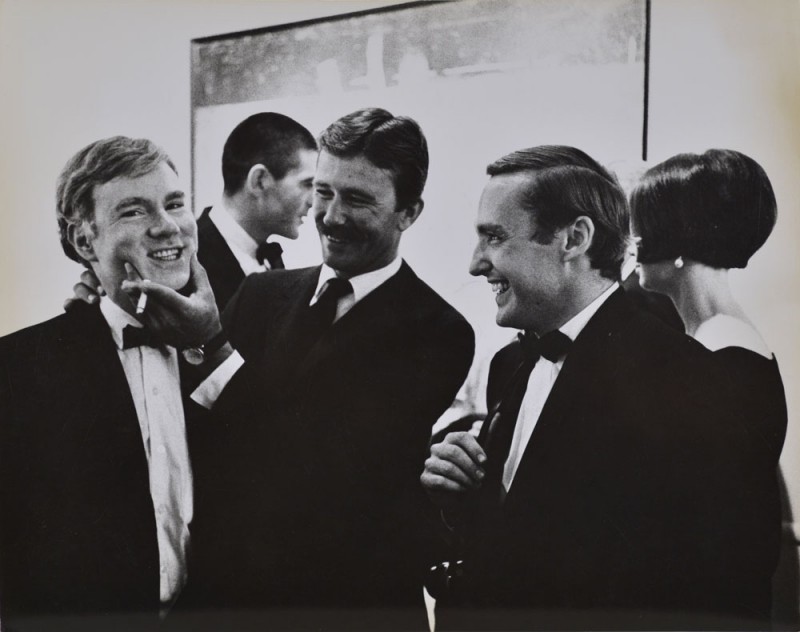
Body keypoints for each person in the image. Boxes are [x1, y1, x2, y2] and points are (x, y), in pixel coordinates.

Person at [113, 107, 474, 627]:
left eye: (358, 199)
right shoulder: (264, 292)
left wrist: (213, 344)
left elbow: (319, 468)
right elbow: (204, 444)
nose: (330, 215)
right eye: (323, 192)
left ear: (409, 211)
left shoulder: (438, 330)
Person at [421, 145, 758, 630]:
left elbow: (708, 590)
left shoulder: (686, 381)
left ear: (574, 239)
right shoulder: (510, 365)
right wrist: (461, 504)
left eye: (494, 238)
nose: (476, 265)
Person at [0, 136, 215, 628]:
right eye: (134, 211)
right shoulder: (17, 368)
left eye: (175, 203)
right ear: (83, 241)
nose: (167, 226)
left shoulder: (235, 346)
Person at [630, 148, 788, 623]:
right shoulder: (720, 341)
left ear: (679, 241)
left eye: (642, 228)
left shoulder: (720, 360)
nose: (633, 242)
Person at [197, 112, 317, 309]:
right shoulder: (191, 259)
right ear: (259, 181)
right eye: (306, 184)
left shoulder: (271, 258)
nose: (314, 201)